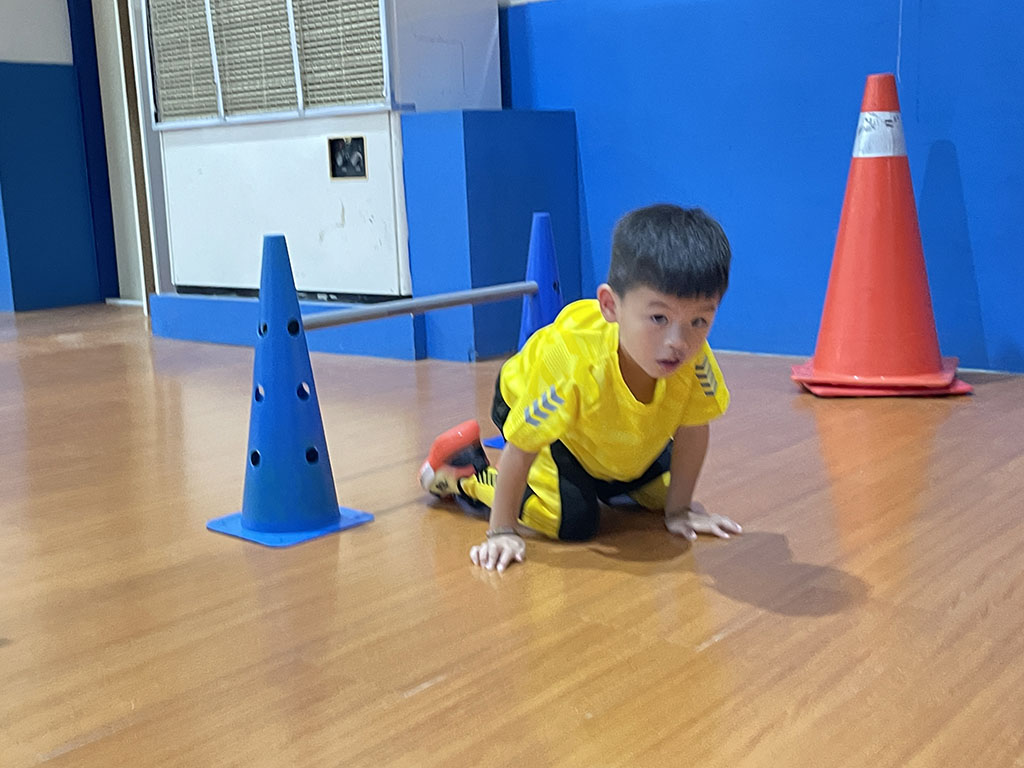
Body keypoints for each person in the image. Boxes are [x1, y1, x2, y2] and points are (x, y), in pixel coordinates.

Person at [418, 204, 742, 572]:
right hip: (531, 404)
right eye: (658, 317)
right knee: (571, 520)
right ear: (610, 306)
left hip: (604, 433)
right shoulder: (572, 366)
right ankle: (467, 473)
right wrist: (502, 531)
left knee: (667, 493)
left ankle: (597, 481)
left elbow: (693, 429)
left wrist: (680, 510)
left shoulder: (694, 361)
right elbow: (522, 448)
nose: (678, 342)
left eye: (699, 321)